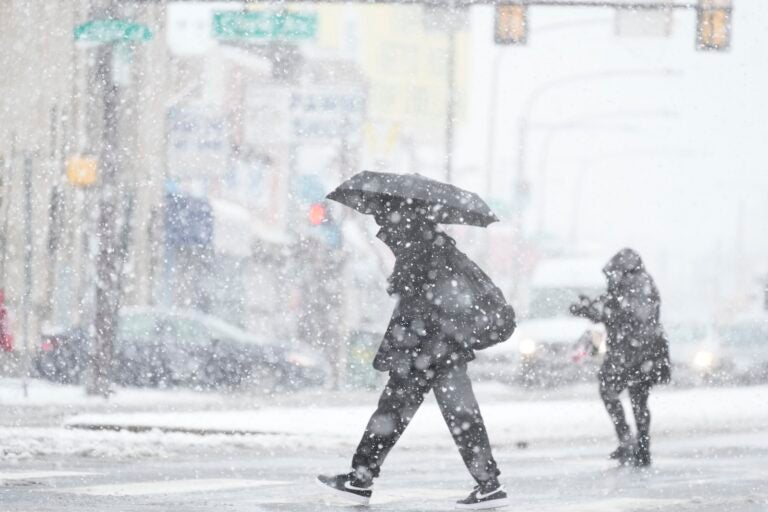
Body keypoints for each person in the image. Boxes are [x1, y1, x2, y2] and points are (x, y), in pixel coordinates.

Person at [317, 202, 514, 510]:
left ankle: (360, 479)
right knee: (457, 416)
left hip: (425, 350)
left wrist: (398, 281)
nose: (385, 229)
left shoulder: (421, 249)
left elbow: (420, 297)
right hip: (440, 349)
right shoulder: (438, 248)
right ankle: (488, 484)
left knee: (394, 413)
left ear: (404, 221)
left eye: (387, 222)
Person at [569, 248, 670, 467]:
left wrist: (595, 312)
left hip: (634, 352)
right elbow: (615, 311)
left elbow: (630, 316)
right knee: (635, 397)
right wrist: (591, 309)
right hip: (636, 351)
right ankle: (637, 443)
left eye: (614, 273)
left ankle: (632, 442)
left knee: (619, 392)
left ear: (623, 270)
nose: (611, 278)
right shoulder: (633, 284)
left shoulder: (638, 284)